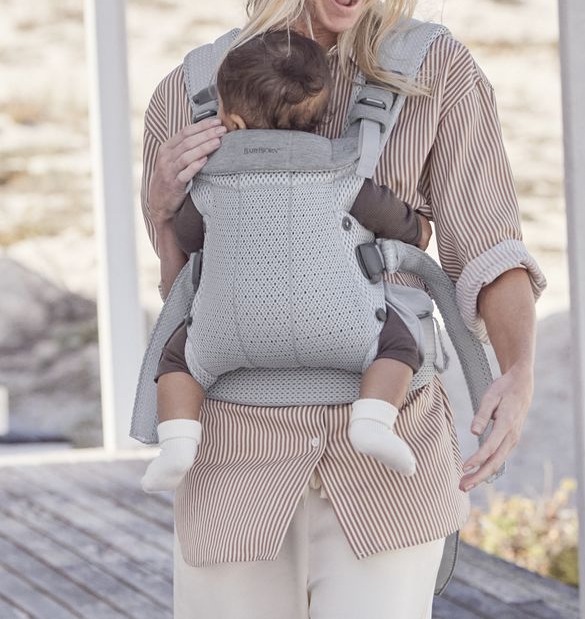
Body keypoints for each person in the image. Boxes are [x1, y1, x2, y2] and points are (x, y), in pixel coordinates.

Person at [141, 0, 545, 619]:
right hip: (233, 461)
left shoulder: (437, 74)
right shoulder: (186, 92)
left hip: (388, 458)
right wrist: (160, 202)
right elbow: (183, 288)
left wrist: (518, 371)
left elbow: (486, 243)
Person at [141, 29, 433, 494]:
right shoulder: (340, 172)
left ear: (231, 122)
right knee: (399, 345)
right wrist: (418, 228)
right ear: (318, 120)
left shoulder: (210, 185)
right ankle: (374, 421)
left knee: (176, 359)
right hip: (340, 323)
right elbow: (392, 219)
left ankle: (177, 444)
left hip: (228, 331)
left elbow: (189, 239)